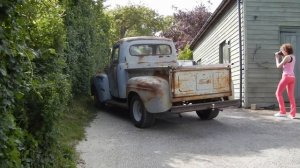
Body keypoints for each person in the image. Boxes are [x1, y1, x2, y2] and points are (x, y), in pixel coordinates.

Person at [274, 43, 297, 119]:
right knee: (291, 96)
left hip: (286, 77)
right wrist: (281, 55)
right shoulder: (293, 57)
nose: (281, 51)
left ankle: (282, 111)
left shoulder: (286, 57)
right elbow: (287, 63)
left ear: (286, 50)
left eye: (282, 50)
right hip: (292, 77)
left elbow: (278, 66)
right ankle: (292, 114)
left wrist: (277, 58)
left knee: (278, 93)